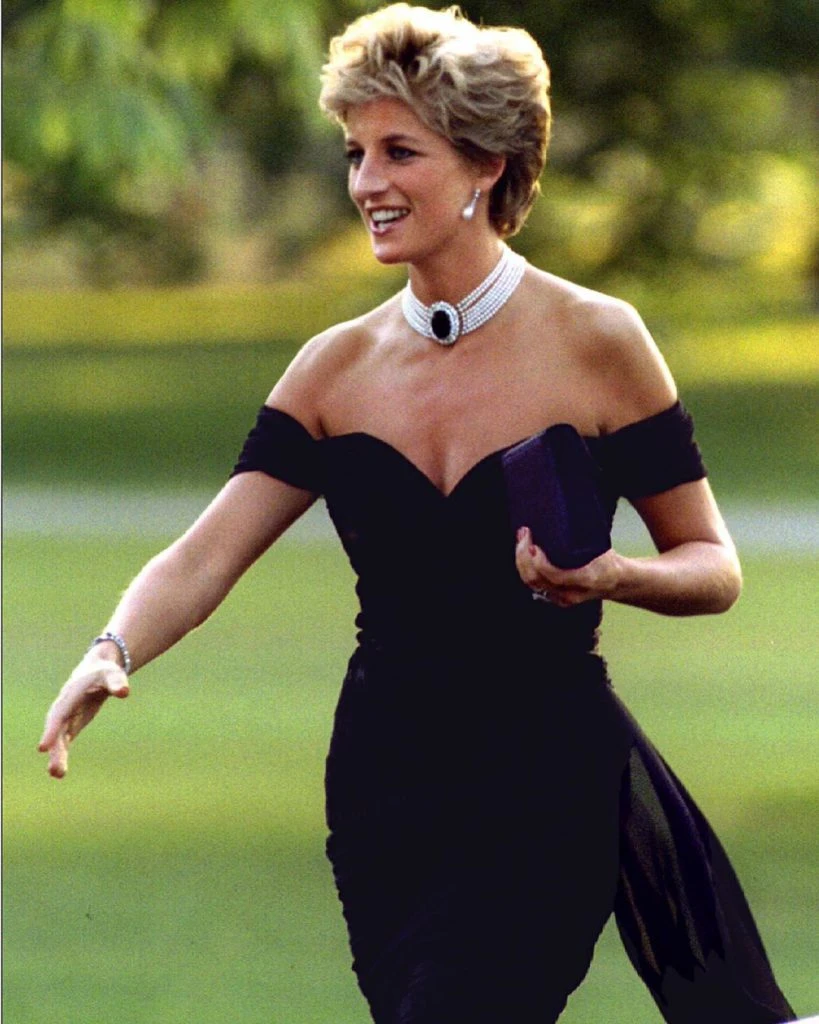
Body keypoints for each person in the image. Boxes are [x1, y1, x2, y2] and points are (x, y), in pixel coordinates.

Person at [40, 5, 796, 1022]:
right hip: (383, 790)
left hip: (546, 778)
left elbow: (712, 564)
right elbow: (204, 554)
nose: (366, 183)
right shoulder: (332, 369)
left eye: (399, 152)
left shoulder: (600, 341)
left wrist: (614, 576)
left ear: (486, 165)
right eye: (355, 154)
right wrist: (112, 647)